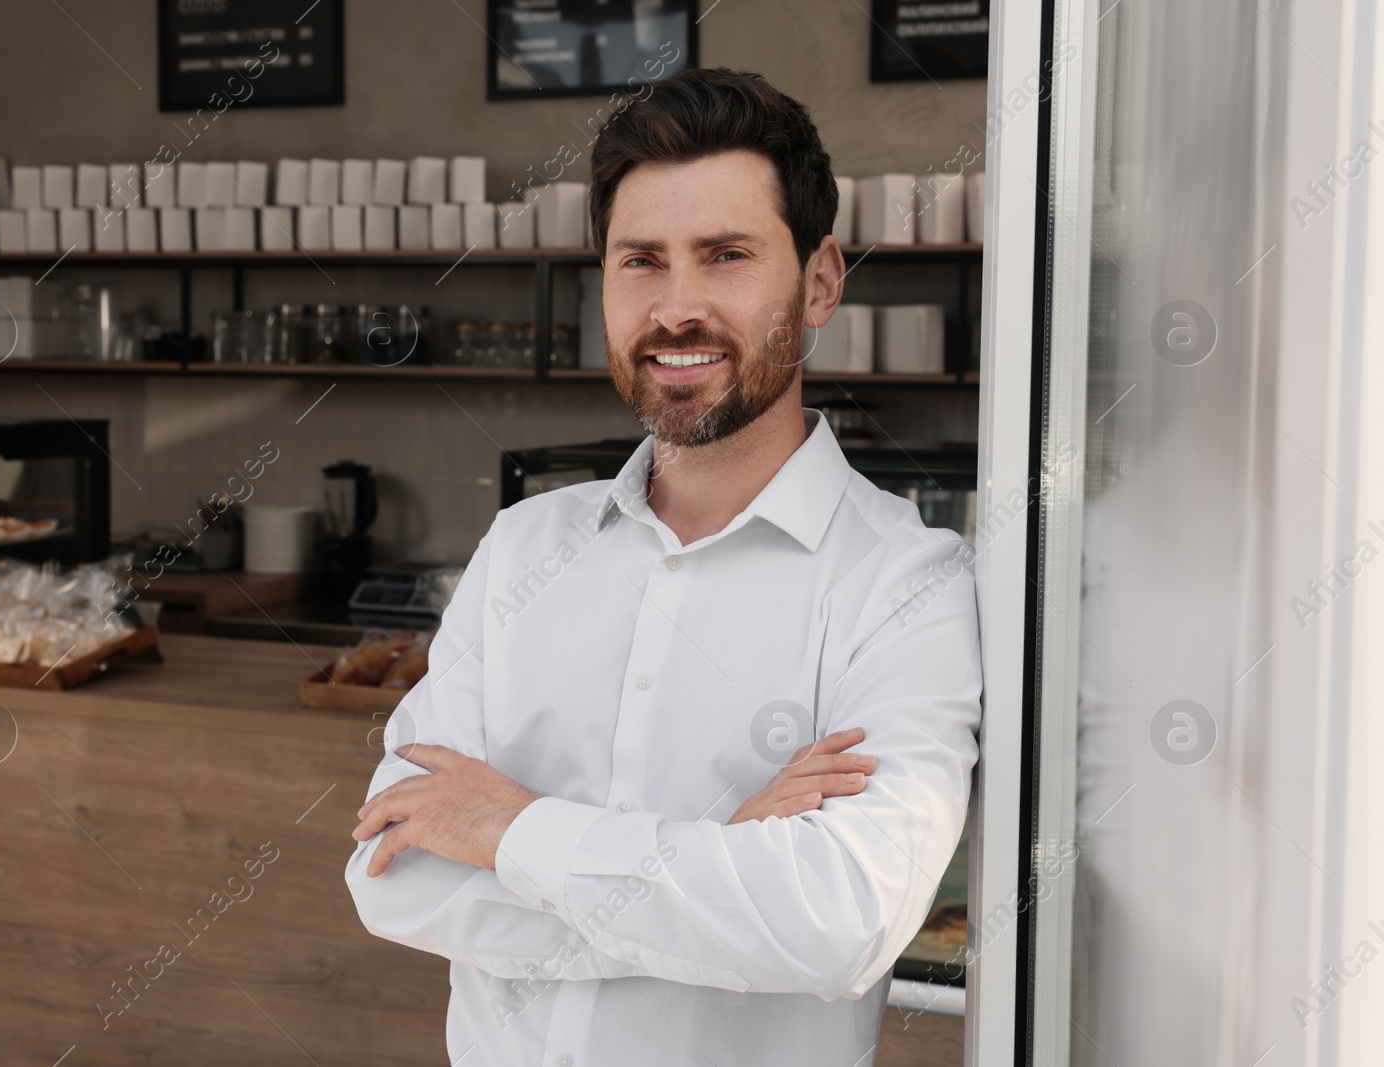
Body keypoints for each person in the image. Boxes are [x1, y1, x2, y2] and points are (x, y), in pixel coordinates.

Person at [346, 66, 982, 1066]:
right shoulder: (523, 546)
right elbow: (391, 873)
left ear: (819, 281)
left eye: (725, 255)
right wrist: (719, 849)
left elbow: (837, 921)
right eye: (641, 260)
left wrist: (513, 830)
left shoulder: (908, 582)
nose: (676, 307)